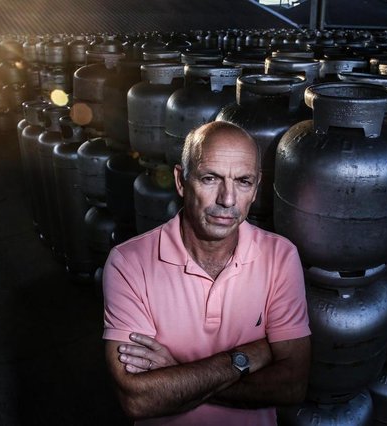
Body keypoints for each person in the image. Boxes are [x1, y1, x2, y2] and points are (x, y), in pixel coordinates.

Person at [102, 121, 311, 425]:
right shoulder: (129, 263)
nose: (227, 200)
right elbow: (138, 398)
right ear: (181, 181)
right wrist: (246, 357)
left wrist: (178, 375)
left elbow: (292, 385)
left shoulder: (280, 257)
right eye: (210, 178)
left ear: (255, 190)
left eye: (243, 181)